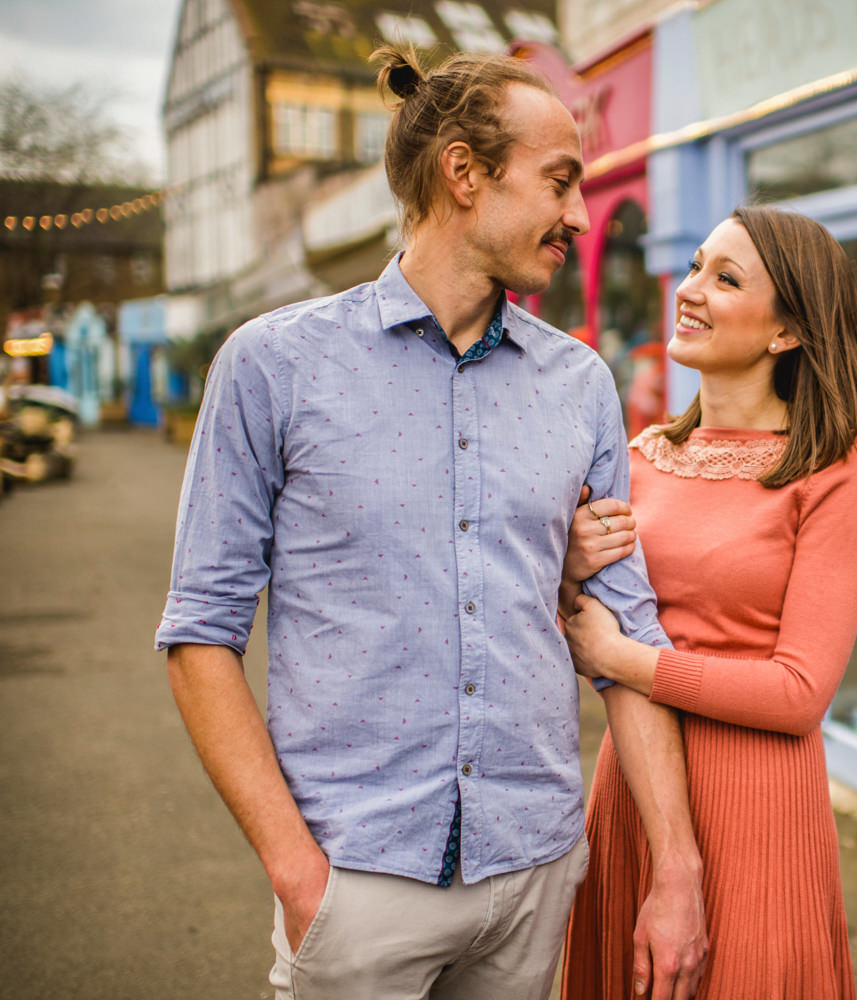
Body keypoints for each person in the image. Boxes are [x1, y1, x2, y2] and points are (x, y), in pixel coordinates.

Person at [155, 45, 706, 1000]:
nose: (580, 214)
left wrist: (678, 869)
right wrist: (297, 869)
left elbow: (628, 633)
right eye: (559, 181)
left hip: (534, 870)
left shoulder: (579, 386)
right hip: (357, 879)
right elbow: (200, 633)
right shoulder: (272, 368)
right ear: (464, 174)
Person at [558, 205, 857, 998]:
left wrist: (622, 659)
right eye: (697, 264)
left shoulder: (838, 467)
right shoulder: (639, 456)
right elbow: (564, 616)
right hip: (636, 787)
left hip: (758, 802)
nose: (691, 289)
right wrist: (565, 570)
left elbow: (800, 693)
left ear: (788, 333)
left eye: (726, 277)